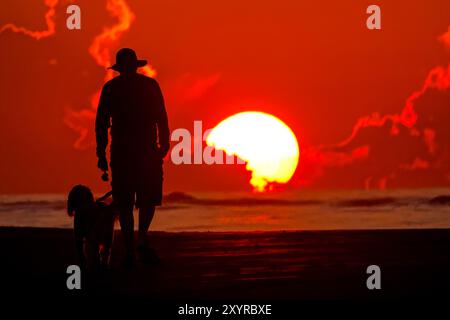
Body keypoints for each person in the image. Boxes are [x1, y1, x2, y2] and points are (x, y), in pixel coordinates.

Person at [95, 48, 170, 266]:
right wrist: (100, 151)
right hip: (133, 151)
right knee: (131, 201)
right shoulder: (142, 86)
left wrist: (163, 144)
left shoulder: (116, 88)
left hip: (136, 151)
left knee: (140, 200)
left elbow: (161, 118)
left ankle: (137, 242)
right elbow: (101, 123)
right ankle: (135, 244)